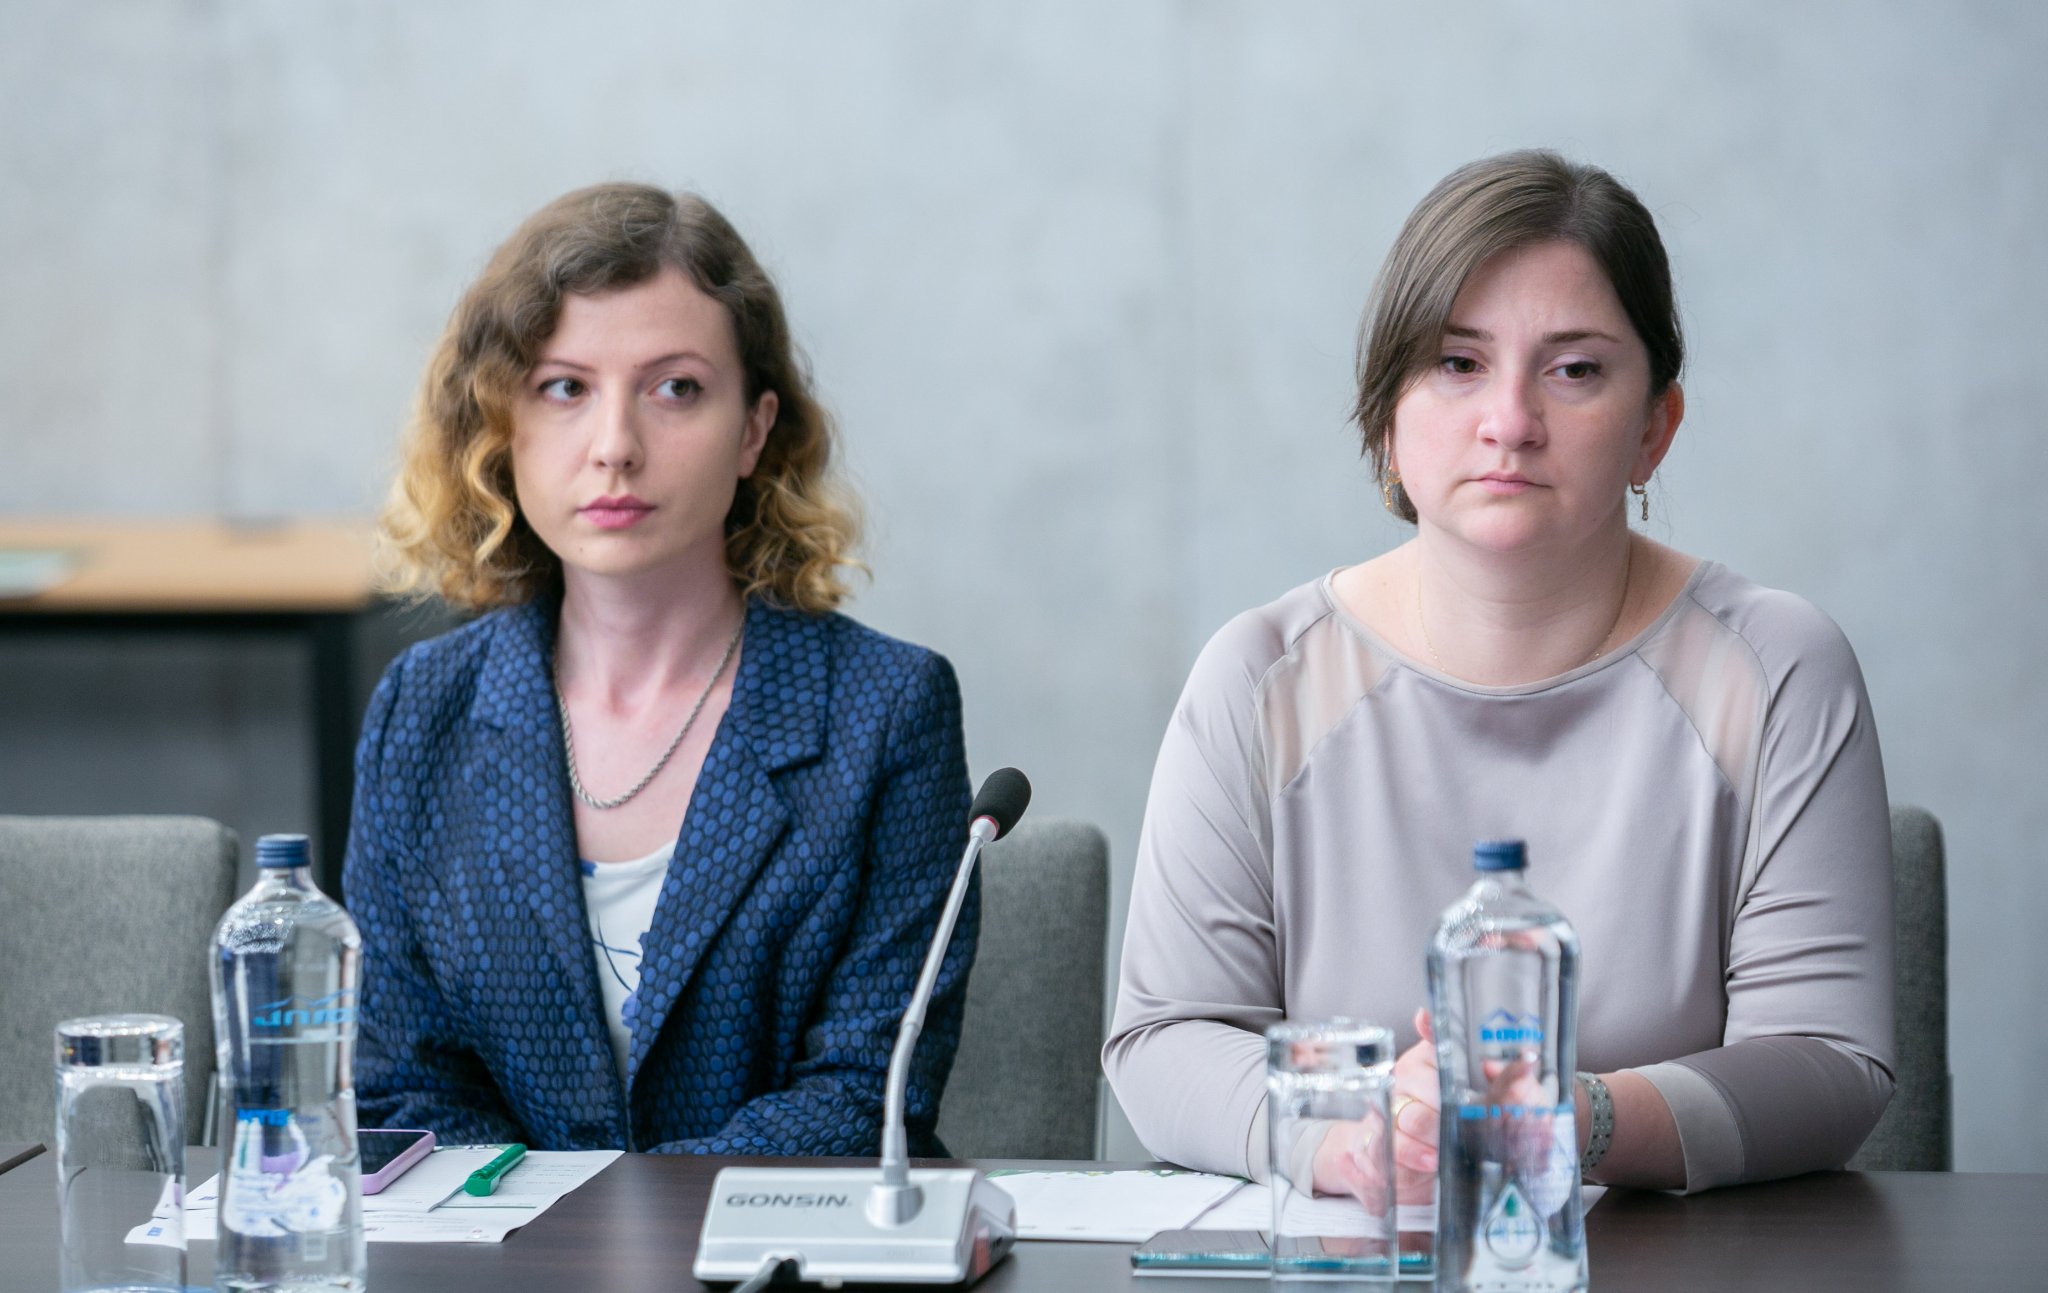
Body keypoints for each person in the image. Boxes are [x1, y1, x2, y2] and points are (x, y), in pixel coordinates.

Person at [1103, 151, 1894, 1199]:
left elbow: (1829, 1062)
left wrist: (1570, 1117)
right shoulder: (1258, 679)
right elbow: (1165, 1040)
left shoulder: (1779, 668)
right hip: (1358, 1252)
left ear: (1654, 429)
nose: (1509, 421)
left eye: (1575, 371)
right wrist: (1356, 1137)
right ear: (1385, 416)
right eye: (1457, 363)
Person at [346, 182, 975, 1156]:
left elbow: (863, 1094)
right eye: (565, 389)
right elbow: (402, 1089)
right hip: (500, 1246)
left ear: (753, 429)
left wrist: (606, 1222)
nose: (615, 448)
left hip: (780, 1239)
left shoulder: (887, 711)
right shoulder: (420, 710)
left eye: (675, 388)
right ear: (500, 428)